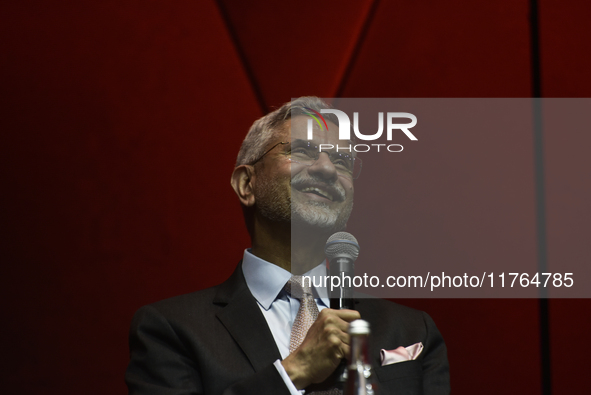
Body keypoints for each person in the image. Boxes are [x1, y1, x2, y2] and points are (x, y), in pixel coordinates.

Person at [125, 97, 450, 395]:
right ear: (246, 183)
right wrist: (293, 373)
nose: (326, 169)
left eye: (342, 162)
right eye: (302, 150)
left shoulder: (411, 329)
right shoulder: (171, 329)